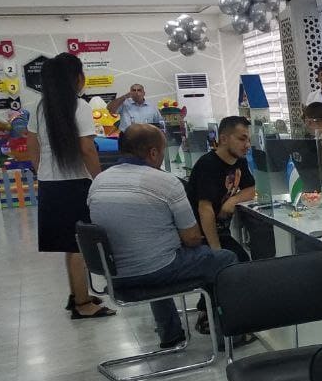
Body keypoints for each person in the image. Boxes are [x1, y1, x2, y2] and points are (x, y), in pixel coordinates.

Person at [87, 124, 237, 348]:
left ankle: (171, 334)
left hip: (114, 276)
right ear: (153, 152)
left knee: (157, 251)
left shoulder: (99, 181)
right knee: (224, 258)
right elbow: (192, 238)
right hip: (154, 272)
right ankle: (227, 335)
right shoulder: (166, 182)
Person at [25, 51, 115, 319]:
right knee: (79, 246)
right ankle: (83, 304)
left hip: (50, 184)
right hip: (74, 184)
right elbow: (87, 148)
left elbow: (32, 143)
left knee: (70, 243)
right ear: (76, 78)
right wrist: (99, 179)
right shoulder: (79, 106)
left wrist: (40, 170)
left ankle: (77, 294)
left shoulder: (41, 106)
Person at [187, 115, 255, 332]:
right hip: (199, 236)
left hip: (221, 232)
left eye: (248, 139)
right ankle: (210, 314)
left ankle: (216, 309)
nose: (247, 144)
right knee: (226, 263)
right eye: (242, 139)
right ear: (224, 139)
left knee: (243, 262)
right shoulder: (208, 165)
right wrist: (216, 249)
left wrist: (233, 200)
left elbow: (251, 189)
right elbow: (205, 210)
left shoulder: (239, 162)